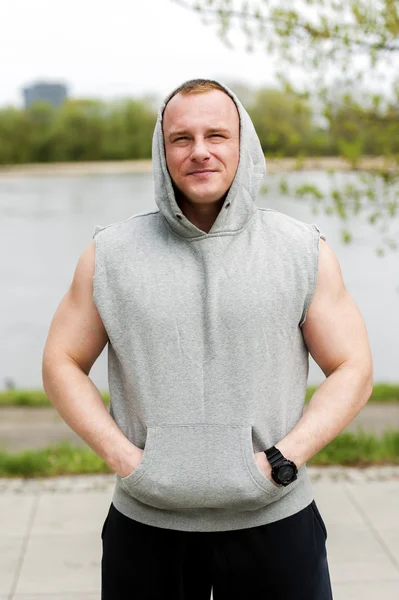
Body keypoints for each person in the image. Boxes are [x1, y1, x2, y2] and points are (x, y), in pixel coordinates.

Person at [42, 79, 373, 599]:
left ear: (243, 145)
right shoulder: (111, 253)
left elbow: (354, 367)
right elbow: (61, 360)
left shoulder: (300, 249)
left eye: (216, 135)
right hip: (147, 529)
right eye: (182, 138)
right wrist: (125, 458)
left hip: (276, 521)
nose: (200, 151)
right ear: (162, 148)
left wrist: (282, 461)